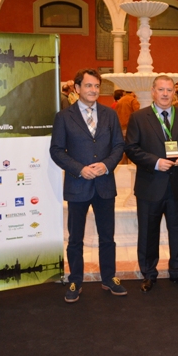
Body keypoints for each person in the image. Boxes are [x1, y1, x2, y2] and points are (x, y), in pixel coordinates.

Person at [50, 68, 127, 303]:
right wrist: (79, 169)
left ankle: (109, 278)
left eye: (96, 86)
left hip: (104, 185)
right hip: (78, 184)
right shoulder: (64, 117)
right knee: (75, 238)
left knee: (107, 237)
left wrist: (106, 165)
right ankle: (75, 280)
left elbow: (119, 146)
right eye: (88, 85)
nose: (93, 90)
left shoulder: (109, 114)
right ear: (77, 88)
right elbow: (56, 150)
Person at [125, 75, 178, 293]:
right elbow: (131, 148)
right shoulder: (139, 118)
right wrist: (155, 162)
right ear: (153, 91)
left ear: (175, 92)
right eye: (161, 89)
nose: (165, 94)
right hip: (150, 186)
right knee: (148, 233)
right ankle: (149, 274)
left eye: (169, 90)